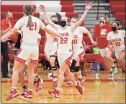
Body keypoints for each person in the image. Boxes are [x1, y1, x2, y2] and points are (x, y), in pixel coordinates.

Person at [1, 5, 57, 101]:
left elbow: (12, 31)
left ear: (23, 11)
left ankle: (13, 90)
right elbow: (48, 30)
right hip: (35, 50)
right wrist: (59, 35)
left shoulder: (22, 20)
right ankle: (29, 91)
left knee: (15, 70)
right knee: (30, 72)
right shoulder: (38, 21)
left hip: (26, 48)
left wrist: (2, 38)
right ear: (33, 11)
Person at [40, 1, 92, 98]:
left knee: (60, 72)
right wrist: (44, 11)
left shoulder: (71, 28)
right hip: (59, 53)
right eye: (62, 20)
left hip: (67, 54)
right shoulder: (58, 27)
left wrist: (86, 10)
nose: (62, 21)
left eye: (64, 20)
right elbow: (49, 21)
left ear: (67, 22)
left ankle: (57, 91)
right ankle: (77, 85)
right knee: (68, 73)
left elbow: (80, 21)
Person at [67, 17, 96, 85]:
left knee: (74, 62)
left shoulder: (81, 28)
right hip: (71, 50)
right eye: (72, 21)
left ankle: (72, 80)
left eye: (75, 21)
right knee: (75, 64)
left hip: (80, 48)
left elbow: (88, 33)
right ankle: (80, 77)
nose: (73, 23)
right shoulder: (68, 29)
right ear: (70, 22)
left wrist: (92, 41)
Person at [44, 15, 60, 86]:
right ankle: (55, 75)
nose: (54, 21)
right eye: (52, 20)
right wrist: (57, 35)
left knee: (52, 61)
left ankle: (55, 77)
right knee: (51, 63)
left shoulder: (58, 28)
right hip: (48, 46)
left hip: (55, 45)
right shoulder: (47, 26)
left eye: (55, 20)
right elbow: (50, 33)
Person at [1, 11, 14, 78]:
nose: (11, 17)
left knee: (6, 57)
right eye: (10, 15)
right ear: (7, 16)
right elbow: (2, 33)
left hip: (5, 42)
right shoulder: (2, 22)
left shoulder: (10, 23)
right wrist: (9, 27)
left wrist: (9, 42)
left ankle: (5, 74)